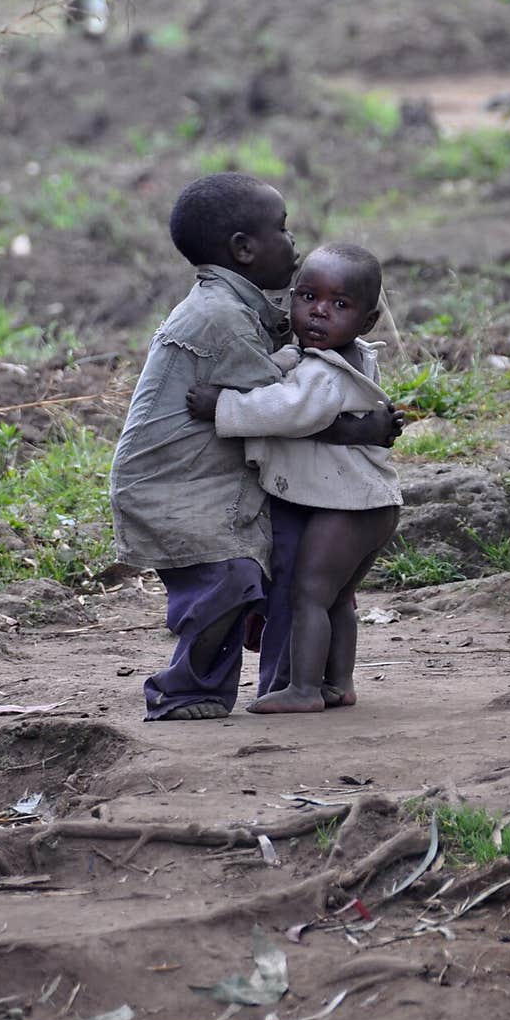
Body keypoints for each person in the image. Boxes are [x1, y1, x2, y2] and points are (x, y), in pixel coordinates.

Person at [109, 174, 402, 721]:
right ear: (244, 248)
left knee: (289, 571)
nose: (293, 243)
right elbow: (283, 411)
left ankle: (295, 682)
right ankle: (185, 690)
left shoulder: (244, 308)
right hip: (176, 483)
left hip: (220, 475)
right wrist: (363, 430)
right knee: (229, 583)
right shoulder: (222, 318)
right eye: (284, 230)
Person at [186, 243, 402, 714]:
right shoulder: (348, 356)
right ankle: (339, 684)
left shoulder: (325, 373)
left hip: (349, 505)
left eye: (340, 305)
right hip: (372, 504)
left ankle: (303, 689)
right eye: (307, 297)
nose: (318, 312)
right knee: (338, 598)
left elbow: (284, 410)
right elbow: (291, 374)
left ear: (367, 322)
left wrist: (221, 405)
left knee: (309, 594)